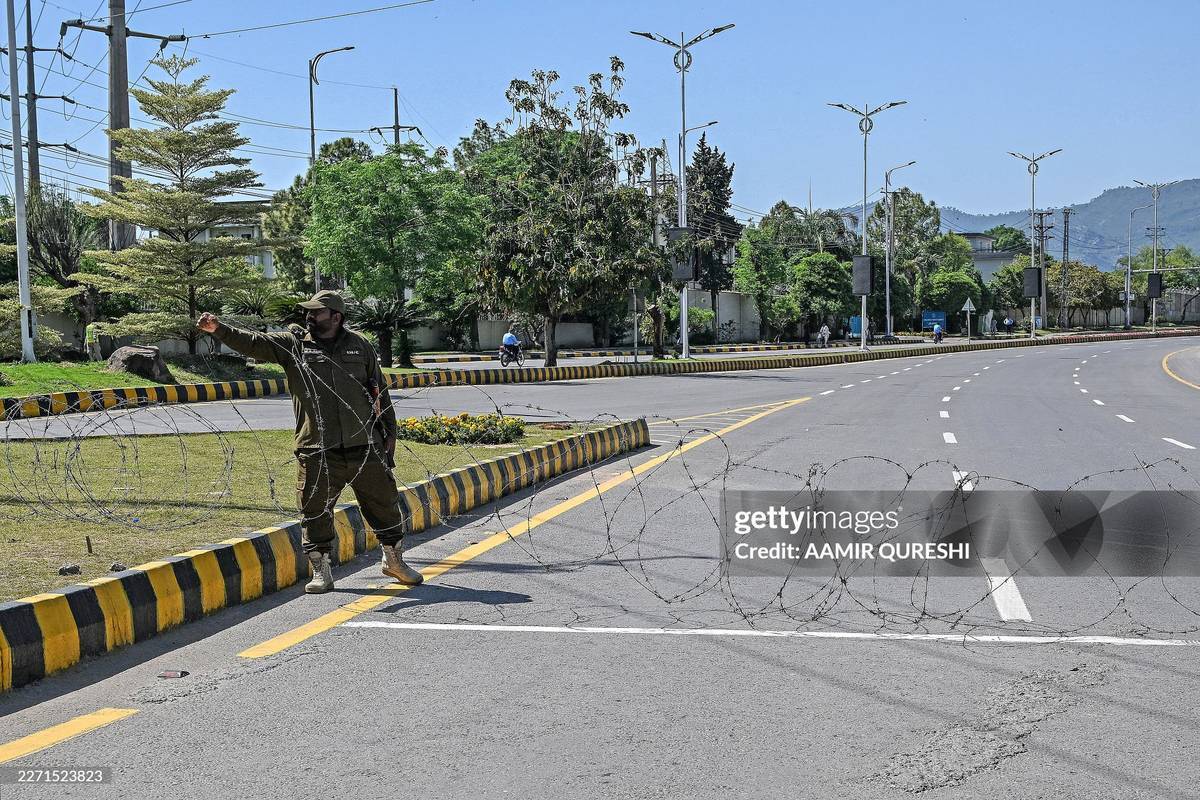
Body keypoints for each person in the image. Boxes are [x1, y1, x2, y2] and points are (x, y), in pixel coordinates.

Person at [196, 290, 423, 594]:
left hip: (364, 446)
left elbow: (378, 392)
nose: (309, 316)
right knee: (314, 510)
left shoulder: (360, 347)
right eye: (309, 312)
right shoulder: (294, 345)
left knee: (385, 504)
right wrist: (220, 329)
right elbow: (254, 344)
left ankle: (393, 560)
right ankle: (321, 571)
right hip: (317, 448)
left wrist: (389, 437)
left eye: (316, 312)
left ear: (336, 317)